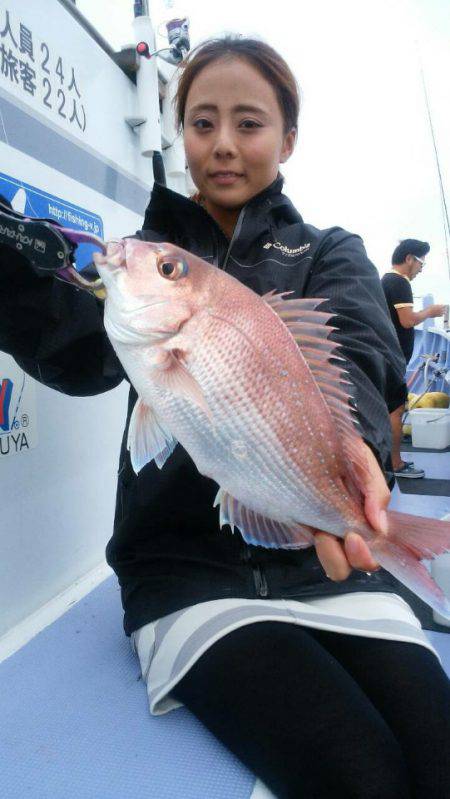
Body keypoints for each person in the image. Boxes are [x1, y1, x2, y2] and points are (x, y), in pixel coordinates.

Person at [1, 34, 449, 799]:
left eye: (250, 122)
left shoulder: (329, 251)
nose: (225, 143)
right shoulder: (148, 263)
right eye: (203, 122)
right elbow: (72, 348)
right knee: (360, 772)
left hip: (326, 562)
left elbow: (360, 352)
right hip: (185, 574)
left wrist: (357, 449)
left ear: (288, 138)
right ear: (183, 134)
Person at [381, 240, 446, 479]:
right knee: (396, 410)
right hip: (392, 358)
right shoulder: (399, 282)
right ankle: (395, 465)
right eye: (421, 263)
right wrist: (431, 312)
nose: (421, 269)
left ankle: (385, 461)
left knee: (388, 408)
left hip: (385, 357)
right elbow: (407, 321)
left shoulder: (386, 280)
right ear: (409, 258)